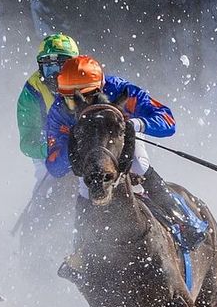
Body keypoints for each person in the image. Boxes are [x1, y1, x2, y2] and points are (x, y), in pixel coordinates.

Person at [45, 55, 204, 282]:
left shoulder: (121, 90)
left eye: (85, 96)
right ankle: (80, 252)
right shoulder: (59, 108)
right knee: (84, 185)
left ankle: (186, 219)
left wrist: (135, 124)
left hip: (119, 141)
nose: (79, 104)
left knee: (139, 165)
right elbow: (53, 163)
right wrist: (73, 146)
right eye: (72, 100)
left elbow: (167, 120)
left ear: (99, 87)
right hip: (89, 154)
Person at [15, 33, 79, 224]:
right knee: (45, 192)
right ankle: (35, 233)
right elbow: (28, 142)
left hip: (90, 144)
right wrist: (53, 145)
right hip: (51, 150)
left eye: (62, 66)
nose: (55, 74)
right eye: (48, 67)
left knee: (136, 170)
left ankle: (167, 206)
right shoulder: (31, 93)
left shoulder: (88, 77)